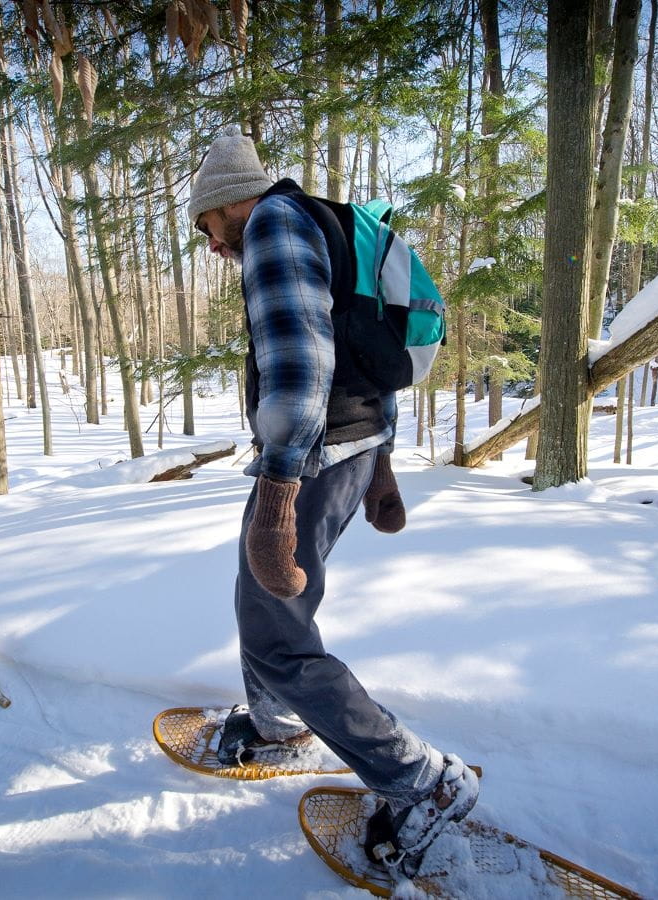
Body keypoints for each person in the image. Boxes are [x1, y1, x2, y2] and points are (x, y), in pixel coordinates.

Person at [187, 127, 477, 878]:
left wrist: (278, 497)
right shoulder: (327, 220)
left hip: (309, 462)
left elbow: (300, 362)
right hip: (347, 450)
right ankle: (279, 725)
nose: (215, 248)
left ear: (227, 206)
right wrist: (380, 463)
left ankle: (423, 782)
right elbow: (364, 353)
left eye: (208, 229)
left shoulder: (274, 227)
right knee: (270, 602)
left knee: (277, 635)